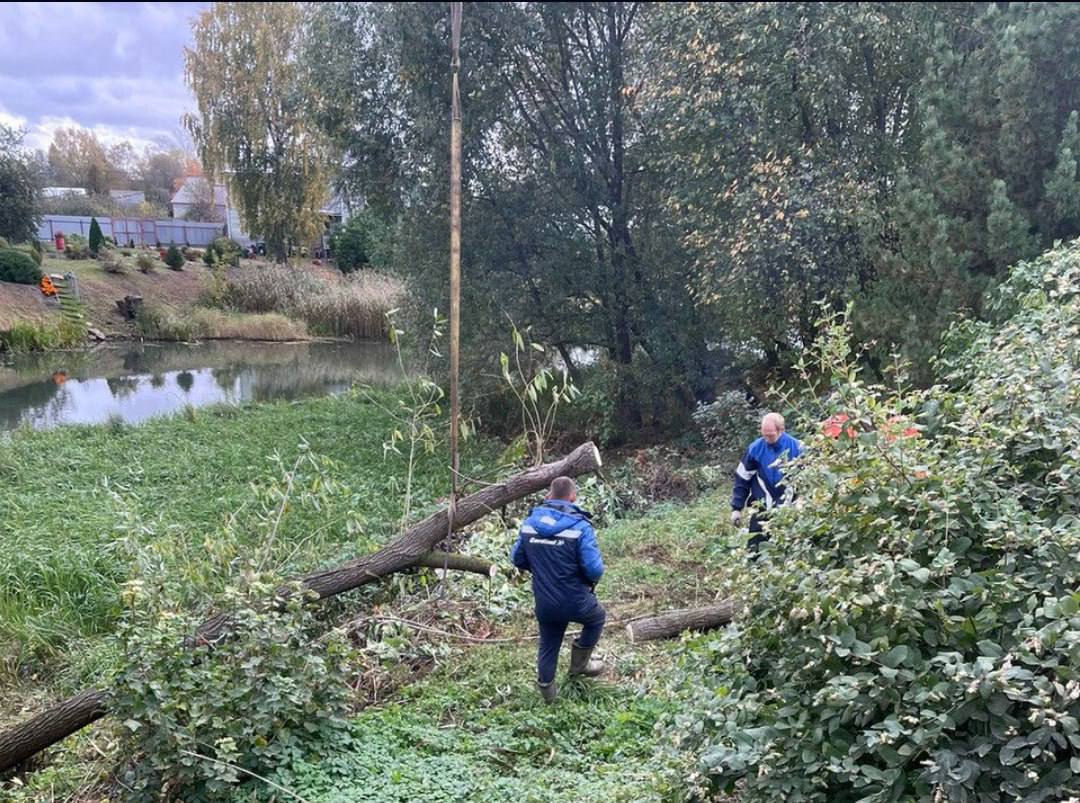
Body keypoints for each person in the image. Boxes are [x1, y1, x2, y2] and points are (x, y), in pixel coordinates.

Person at [510, 476, 605, 703]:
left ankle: (548, 696)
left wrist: (542, 568)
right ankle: (579, 666)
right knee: (597, 618)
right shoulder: (580, 527)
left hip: (545, 601)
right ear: (573, 497)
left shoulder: (529, 524)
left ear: (548, 496)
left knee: (548, 643)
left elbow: (517, 558)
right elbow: (594, 570)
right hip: (576, 600)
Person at [731, 412, 802, 553]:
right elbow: (742, 479)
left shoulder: (797, 448)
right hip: (761, 508)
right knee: (755, 552)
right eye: (764, 435)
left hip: (788, 509)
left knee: (788, 550)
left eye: (770, 435)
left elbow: (807, 479)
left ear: (781, 430)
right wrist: (736, 508)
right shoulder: (754, 449)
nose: (767, 439)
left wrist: (802, 501)